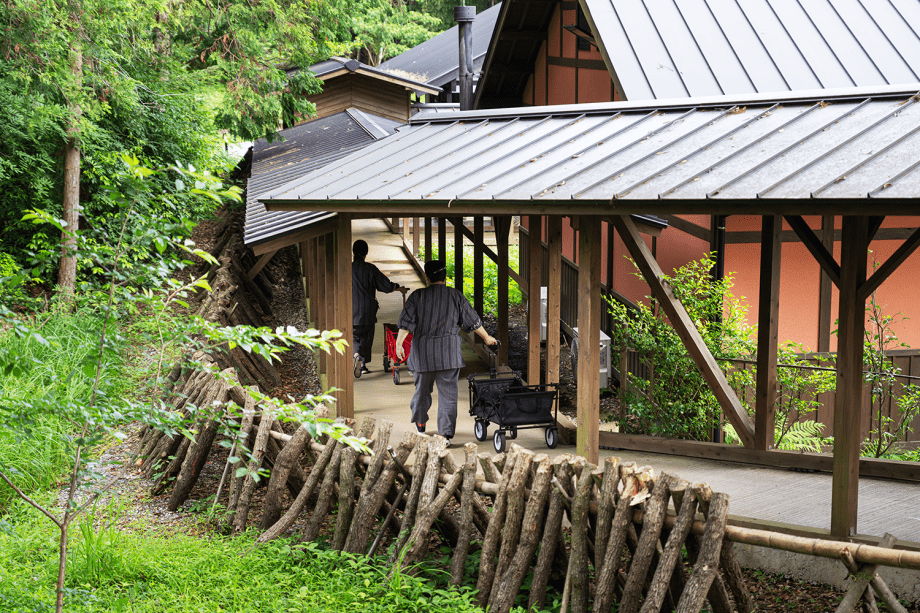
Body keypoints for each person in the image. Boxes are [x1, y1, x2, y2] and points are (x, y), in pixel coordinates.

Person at [396, 259, 497, 443]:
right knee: (448, 396)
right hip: (448, 354)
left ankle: (420, 421)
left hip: (423, 354)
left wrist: (399, 344)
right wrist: (487, 337)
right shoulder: (455, 295)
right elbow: (473, 321)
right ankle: (445, 434)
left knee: (421, 392)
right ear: (445, 277)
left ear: (427, 277)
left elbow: (405, 323)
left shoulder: (417, 296)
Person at [352, 239, 407, 376]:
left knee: (354, 335)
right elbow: (386, 286)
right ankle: (363, 365)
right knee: (366, 335)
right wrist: (397, 287)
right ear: (366, 252)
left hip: (351, 309)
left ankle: (356, 354)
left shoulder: (347, 269)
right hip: (368, 310)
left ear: (353, 252)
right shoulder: (370, 269)